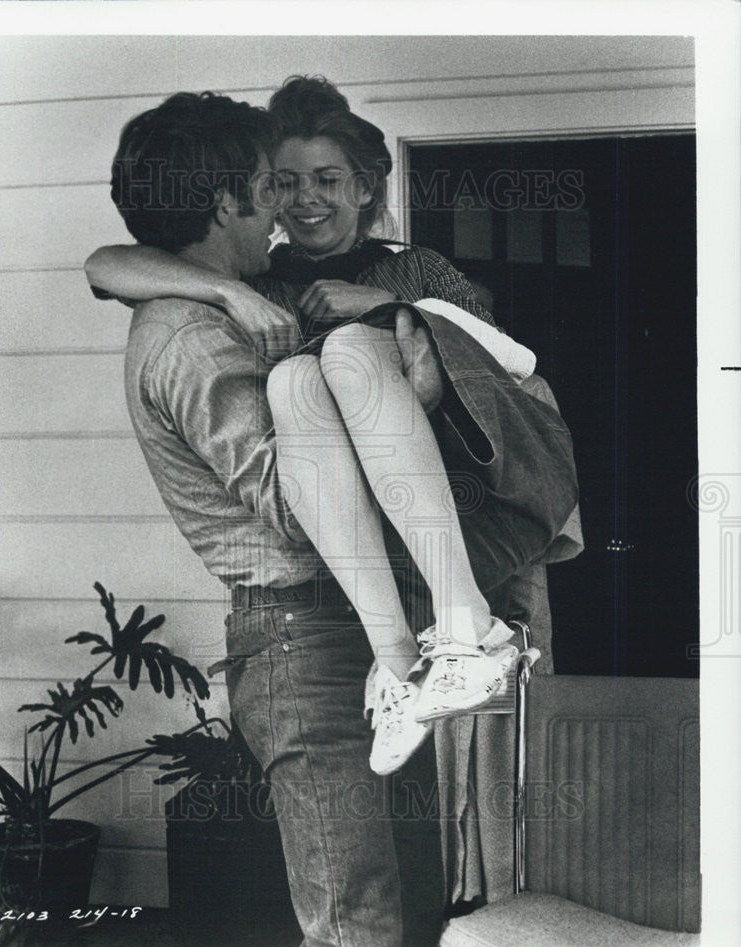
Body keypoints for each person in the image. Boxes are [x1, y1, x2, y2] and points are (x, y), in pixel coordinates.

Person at [88, 77, 578, 778]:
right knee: (293, 380)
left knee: (505, 765)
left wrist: (386, 306)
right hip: (371, 551)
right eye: (284, 181)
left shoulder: (418, 267)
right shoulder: (263, 283)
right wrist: (223, 289)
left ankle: (474, 641)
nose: (305, 197)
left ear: (365, 186)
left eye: (326, 178)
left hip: (471, 522)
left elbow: (502, 370)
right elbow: (102, 264)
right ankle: (404, 665)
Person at [106, 88, 448, 947]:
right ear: (224, 201)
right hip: (305, 641)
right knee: (352, 917)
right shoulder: (193, 336)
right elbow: (298, 510)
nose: (284, 211)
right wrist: (395, 413)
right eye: (268, 187)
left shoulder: (226, 302)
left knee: (402, 901)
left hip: (343, 631)